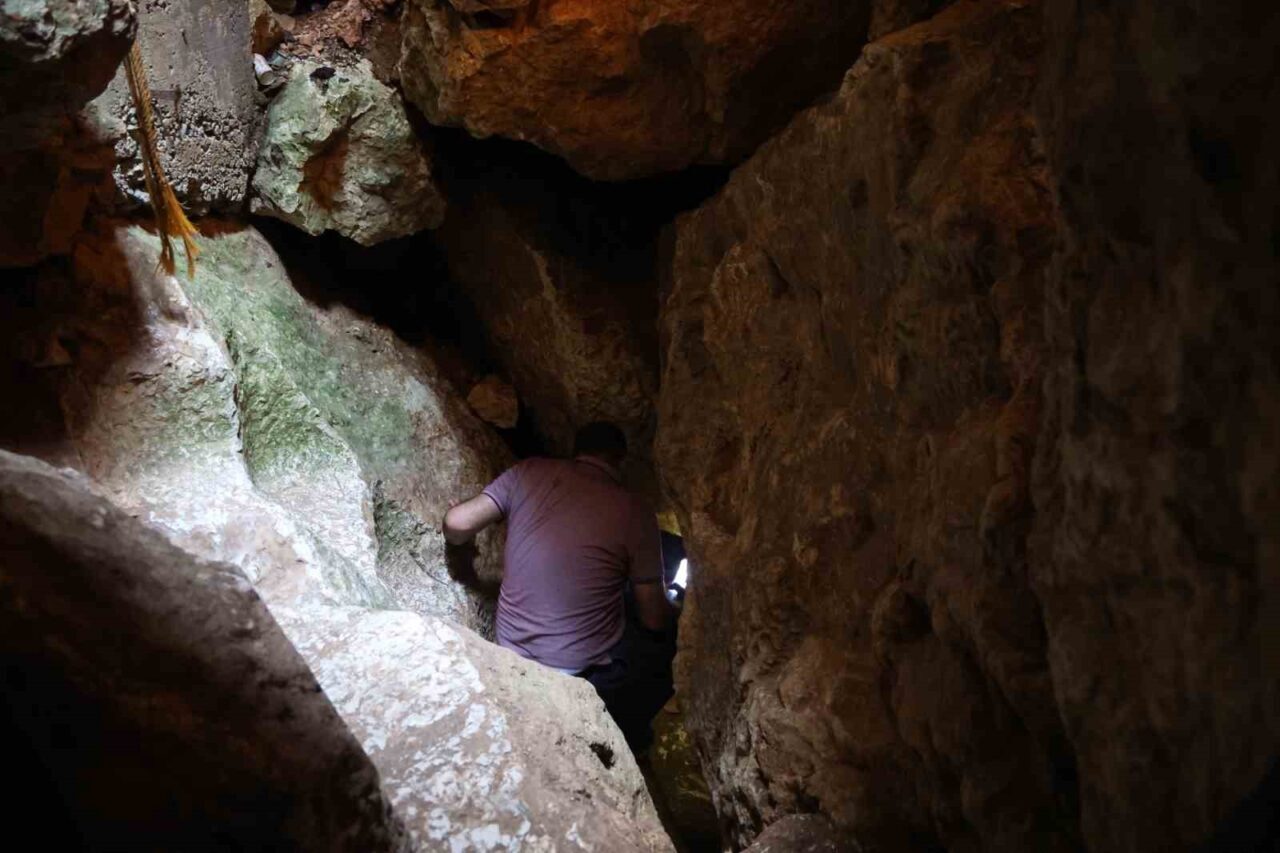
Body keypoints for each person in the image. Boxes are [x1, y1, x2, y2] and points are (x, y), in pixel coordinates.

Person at [442, 421, 674, 751]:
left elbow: (456, 524)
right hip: (577, 669)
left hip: (511, 648)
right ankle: (629, 734)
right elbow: (654, 617)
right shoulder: (635, 510)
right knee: (662, 640)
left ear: (574, 450)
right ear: (620, 460)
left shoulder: (528, 472)